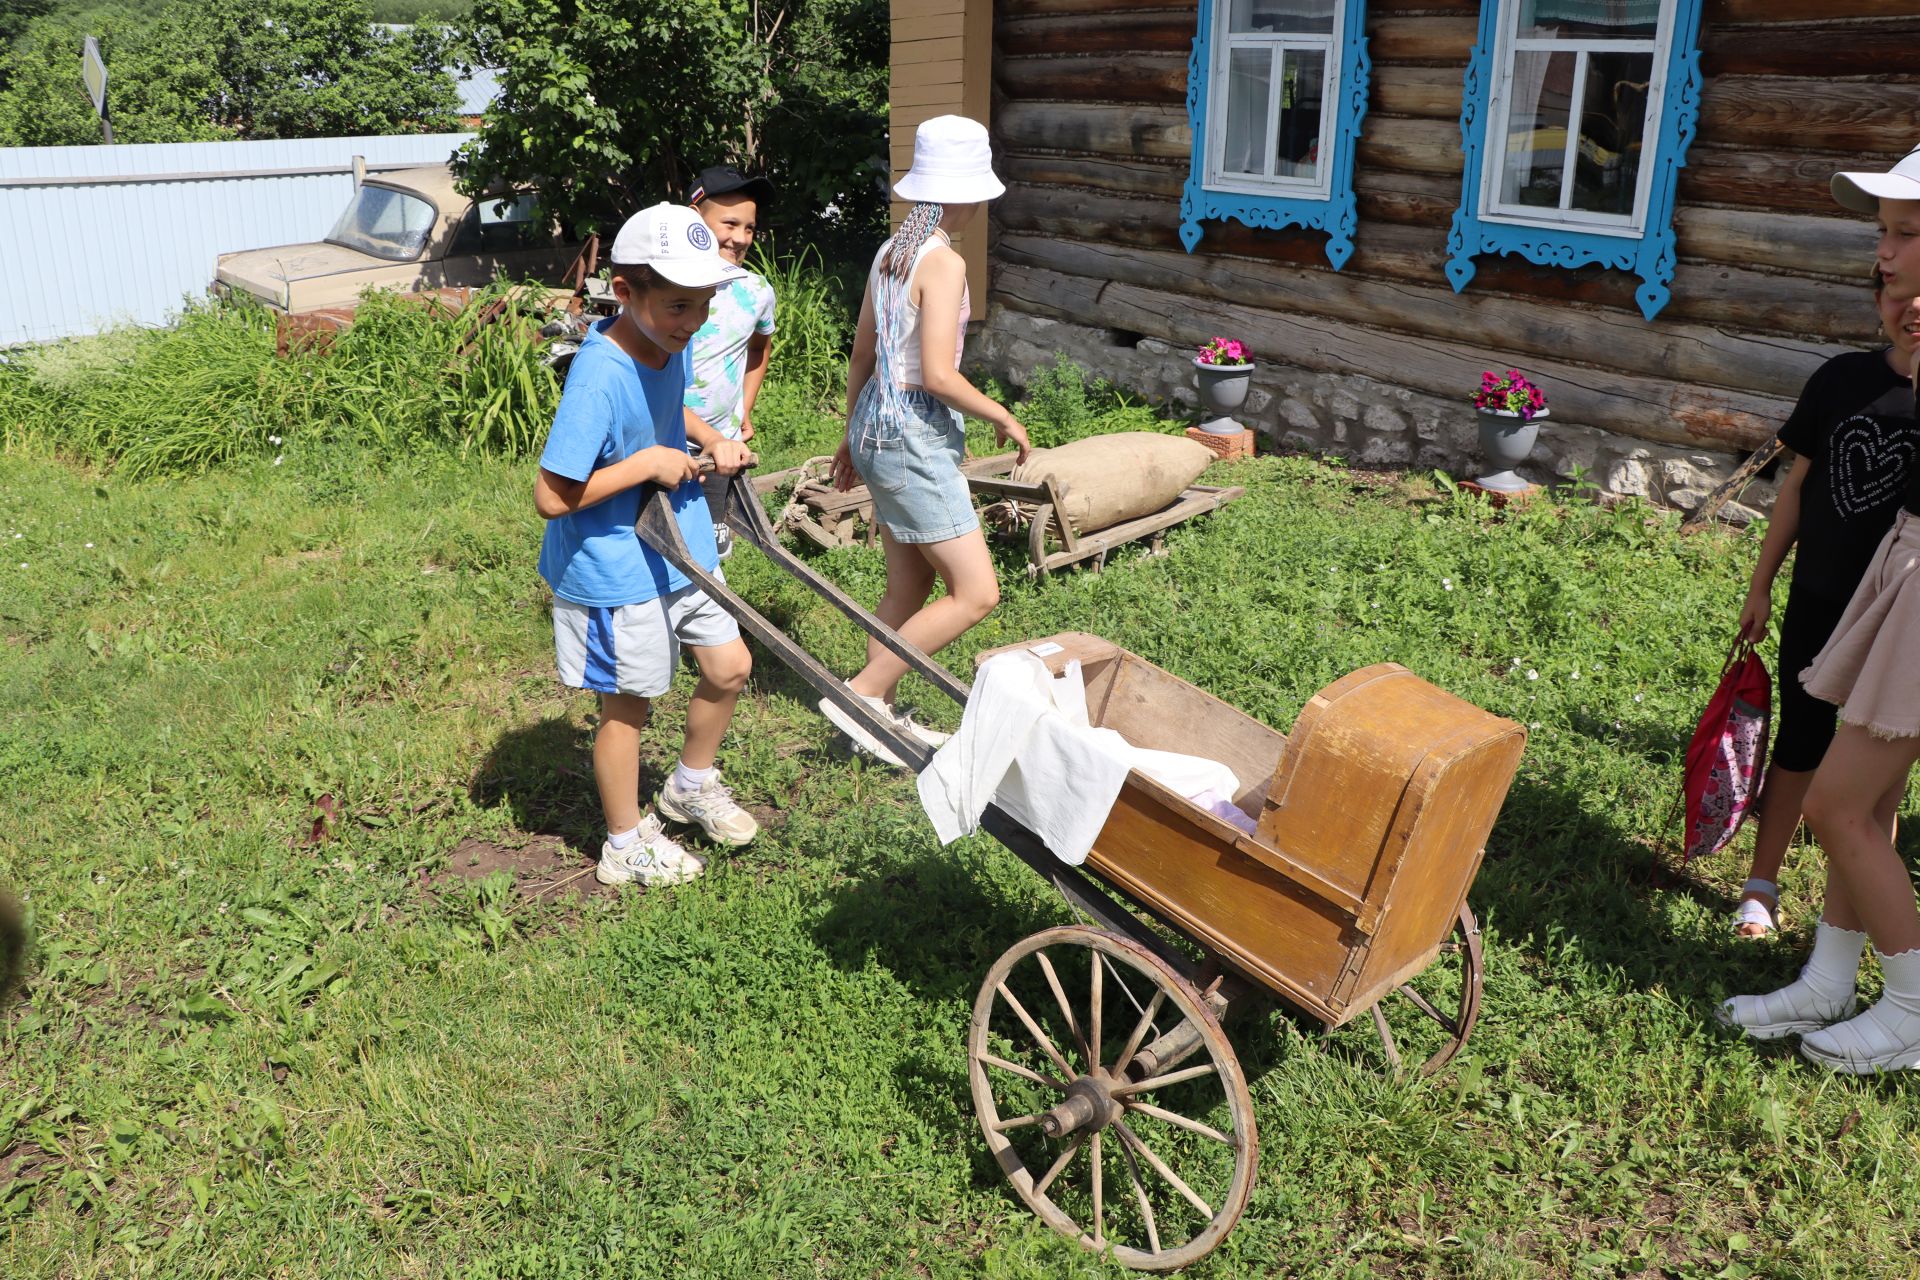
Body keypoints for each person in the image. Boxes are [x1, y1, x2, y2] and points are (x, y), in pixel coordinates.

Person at [1719, 148, 1920, 1073]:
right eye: (1884, 235)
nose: (1886, 256)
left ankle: (1914, 1008)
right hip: (1894, 575)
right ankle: (1832, 977)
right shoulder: (1865, 371)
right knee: (1863, 801)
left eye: (1907, 234)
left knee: (1839, 805)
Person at [534, 202, 761, 887]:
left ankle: (688, 786)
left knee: (729, 667)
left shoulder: (665, 339)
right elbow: (550, 496)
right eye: (678, 308)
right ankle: (624, 843)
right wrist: (646, 466)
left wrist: (708, 438)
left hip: (680, 543)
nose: (691, 323)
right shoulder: (597, 375)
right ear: (626, 293)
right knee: (627, 705)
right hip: (616, 565)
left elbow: (668, 409)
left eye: (702, 305)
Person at [820, 115, 1032, 766]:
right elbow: (938, 374)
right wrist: (1002, 414)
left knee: (907, 586)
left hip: (879, 427)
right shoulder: (942, 263)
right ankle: (862, 695)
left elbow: (863, 353)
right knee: (977, 593)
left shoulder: (891, 252)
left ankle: (874, 708)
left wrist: (853, 435)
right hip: (912, 434)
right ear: (966, 195)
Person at [1727, 268, 1920, 938]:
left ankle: (1855, 910)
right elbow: (1795, 490)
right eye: (1897, 295)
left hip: (1891, 618)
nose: (1910, 311)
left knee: (1874, 770)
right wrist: (1762, 585)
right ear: (1877, 303)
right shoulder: (1839, 379)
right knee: (1801, 742)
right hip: (1818, 598)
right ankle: (1761, 885)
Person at [684, 164, 779, 559]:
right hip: (663, 440)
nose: (739, 238)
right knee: (660, 542)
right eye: (729, 223)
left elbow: (759, 348)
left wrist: (745, 409)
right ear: (694, 218)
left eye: (750, 228)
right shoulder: (669, 291)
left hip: (722, 446)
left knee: (708, 548)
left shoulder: (755, 292)